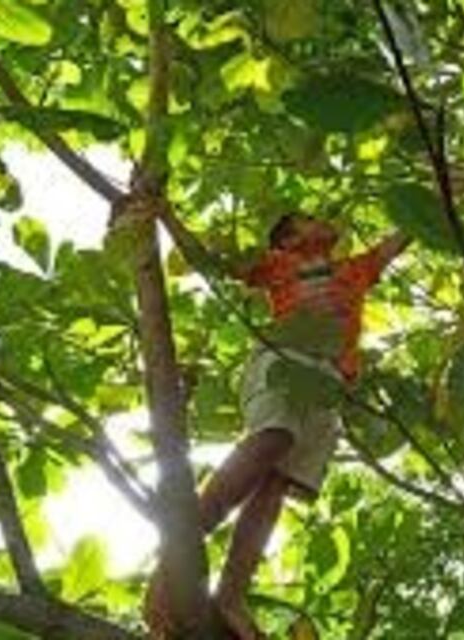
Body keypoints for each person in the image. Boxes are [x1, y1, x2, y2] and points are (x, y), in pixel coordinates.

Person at [146, 212, 409, 639]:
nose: (322, 220)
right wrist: (165, 214)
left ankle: (231, 596)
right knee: (272, 438)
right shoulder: (277, 265)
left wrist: (451, 187)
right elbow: (210, 261)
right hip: (286, 357)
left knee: (276, 484)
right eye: (308, 219)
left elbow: (402, 236)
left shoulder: (354, 269)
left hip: (329, 383)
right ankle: (177, 552)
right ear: (287, 240)